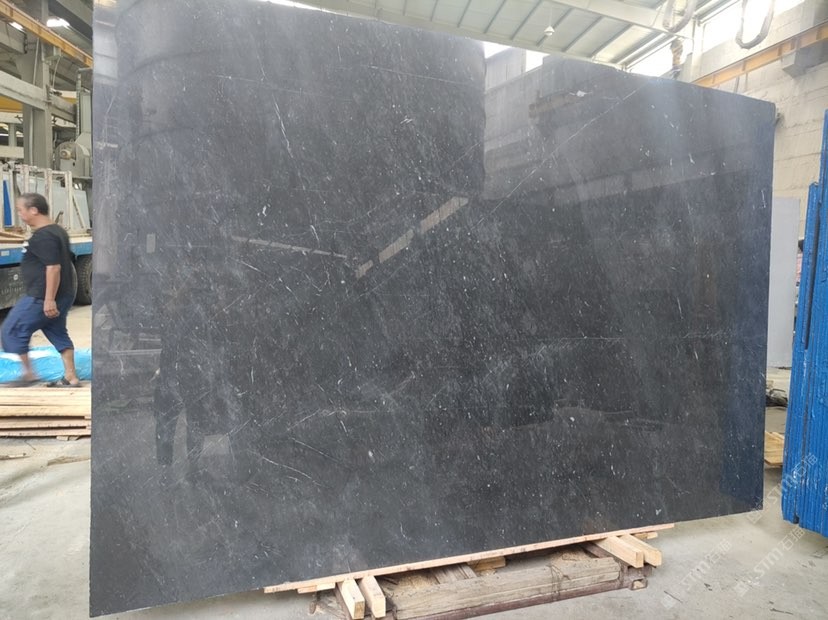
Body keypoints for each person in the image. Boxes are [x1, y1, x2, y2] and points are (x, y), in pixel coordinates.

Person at [1, 193, 80, 387]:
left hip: (41, 295)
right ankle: (71, 376)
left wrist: (49, 299)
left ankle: (28, 375)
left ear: (34, 210)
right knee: (57, 331)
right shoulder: (58, 231)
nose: (20, 215)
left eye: (21, 210)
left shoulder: (43, 236)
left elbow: (53, 268)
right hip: (63, 294)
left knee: (12, 329)